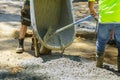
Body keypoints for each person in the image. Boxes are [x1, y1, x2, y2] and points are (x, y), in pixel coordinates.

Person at [88, 0, 120, 72]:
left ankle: (99, 64)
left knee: (101, 41)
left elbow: (91, 1)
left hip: (104, 19)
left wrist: (92, 10)